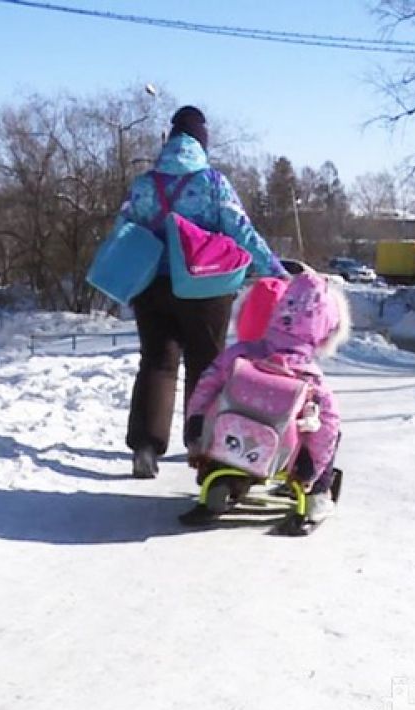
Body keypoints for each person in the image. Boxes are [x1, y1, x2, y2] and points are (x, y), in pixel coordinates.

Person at [119, 105, 288, 478]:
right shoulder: (212, 183)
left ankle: (145, 447)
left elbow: (123, 230)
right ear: (202, 142)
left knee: (157, 363)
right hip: (206, 288)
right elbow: (242, 232)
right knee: (207, 366)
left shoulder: (145, 184)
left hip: (152, 286)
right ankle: (203, 447)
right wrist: (274, 272)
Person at [181, 270, 350, 532]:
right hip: (282, 456)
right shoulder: (309, 377)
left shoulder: (243, 353)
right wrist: (309, 470)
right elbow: (325, 430)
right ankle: (318, 495)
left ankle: (221, 478)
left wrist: (195, 431)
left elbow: (206, 386)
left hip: (227, 446)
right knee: (328, 428)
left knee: (226, 403)